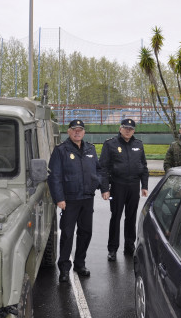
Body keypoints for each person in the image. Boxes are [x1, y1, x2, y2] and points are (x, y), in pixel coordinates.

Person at [48, 119, 105, 283]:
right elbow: (54, 177)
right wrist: (59, 198)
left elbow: (99, 169)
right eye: (74, 130)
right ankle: (64, 269)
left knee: (85, 233)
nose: (77, 132)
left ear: (84, 132)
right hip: (69, 200)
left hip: (87, 198)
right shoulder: (61, 150)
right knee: (67, 234)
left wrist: (97, 183)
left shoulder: (90, 149)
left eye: (80, 130)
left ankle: (80, 264)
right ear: (69, 131)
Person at [99, 118, 149, 261]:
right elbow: (103, 168)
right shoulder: (110, 144)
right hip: (117, 186)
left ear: (134, 130)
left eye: (131, 129)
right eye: (125, 128)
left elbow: (144, 167)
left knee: (131, 217)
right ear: (120, 129)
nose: (128, 131)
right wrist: (105, 188)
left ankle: (129, 246)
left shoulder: (138, 145)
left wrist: (144, 185)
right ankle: (112, 249)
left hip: (133, 186)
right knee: (116, 217)